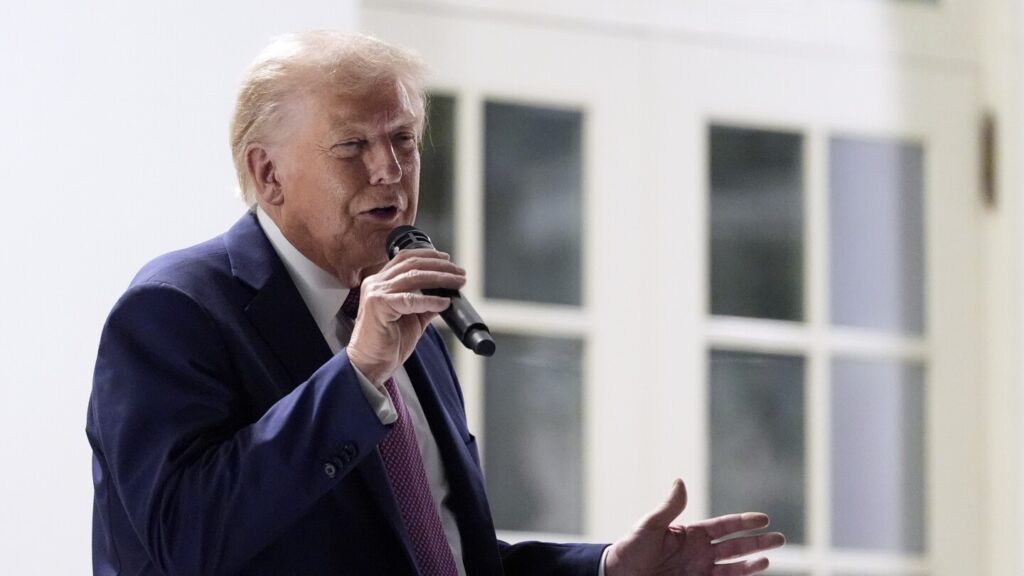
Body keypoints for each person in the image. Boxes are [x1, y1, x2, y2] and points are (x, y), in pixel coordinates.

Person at [86, 31, 784, 575]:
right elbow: (179, 544)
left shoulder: (413, 320)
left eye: (403, 140)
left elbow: (437, 551)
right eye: (352, 146)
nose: (389, 169)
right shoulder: (174, 311)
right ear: (268, 173)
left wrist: (605, 568)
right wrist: (357, 373)